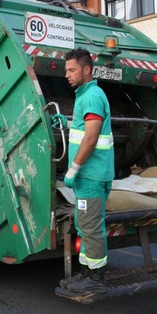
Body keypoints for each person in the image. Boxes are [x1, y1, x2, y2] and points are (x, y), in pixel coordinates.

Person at [53, 48, 114, 293]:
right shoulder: (85, 95)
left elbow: (91, 137)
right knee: (84, 223)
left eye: (72, 70)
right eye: (66, 70)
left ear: (86, 69)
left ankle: (96, 278)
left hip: (90, 174)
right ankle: (86, 272)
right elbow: (84, 128)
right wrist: (67, 123)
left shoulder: (91, 96)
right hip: (89, 175)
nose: (67, 75)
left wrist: (73, 168)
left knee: (90, 226)